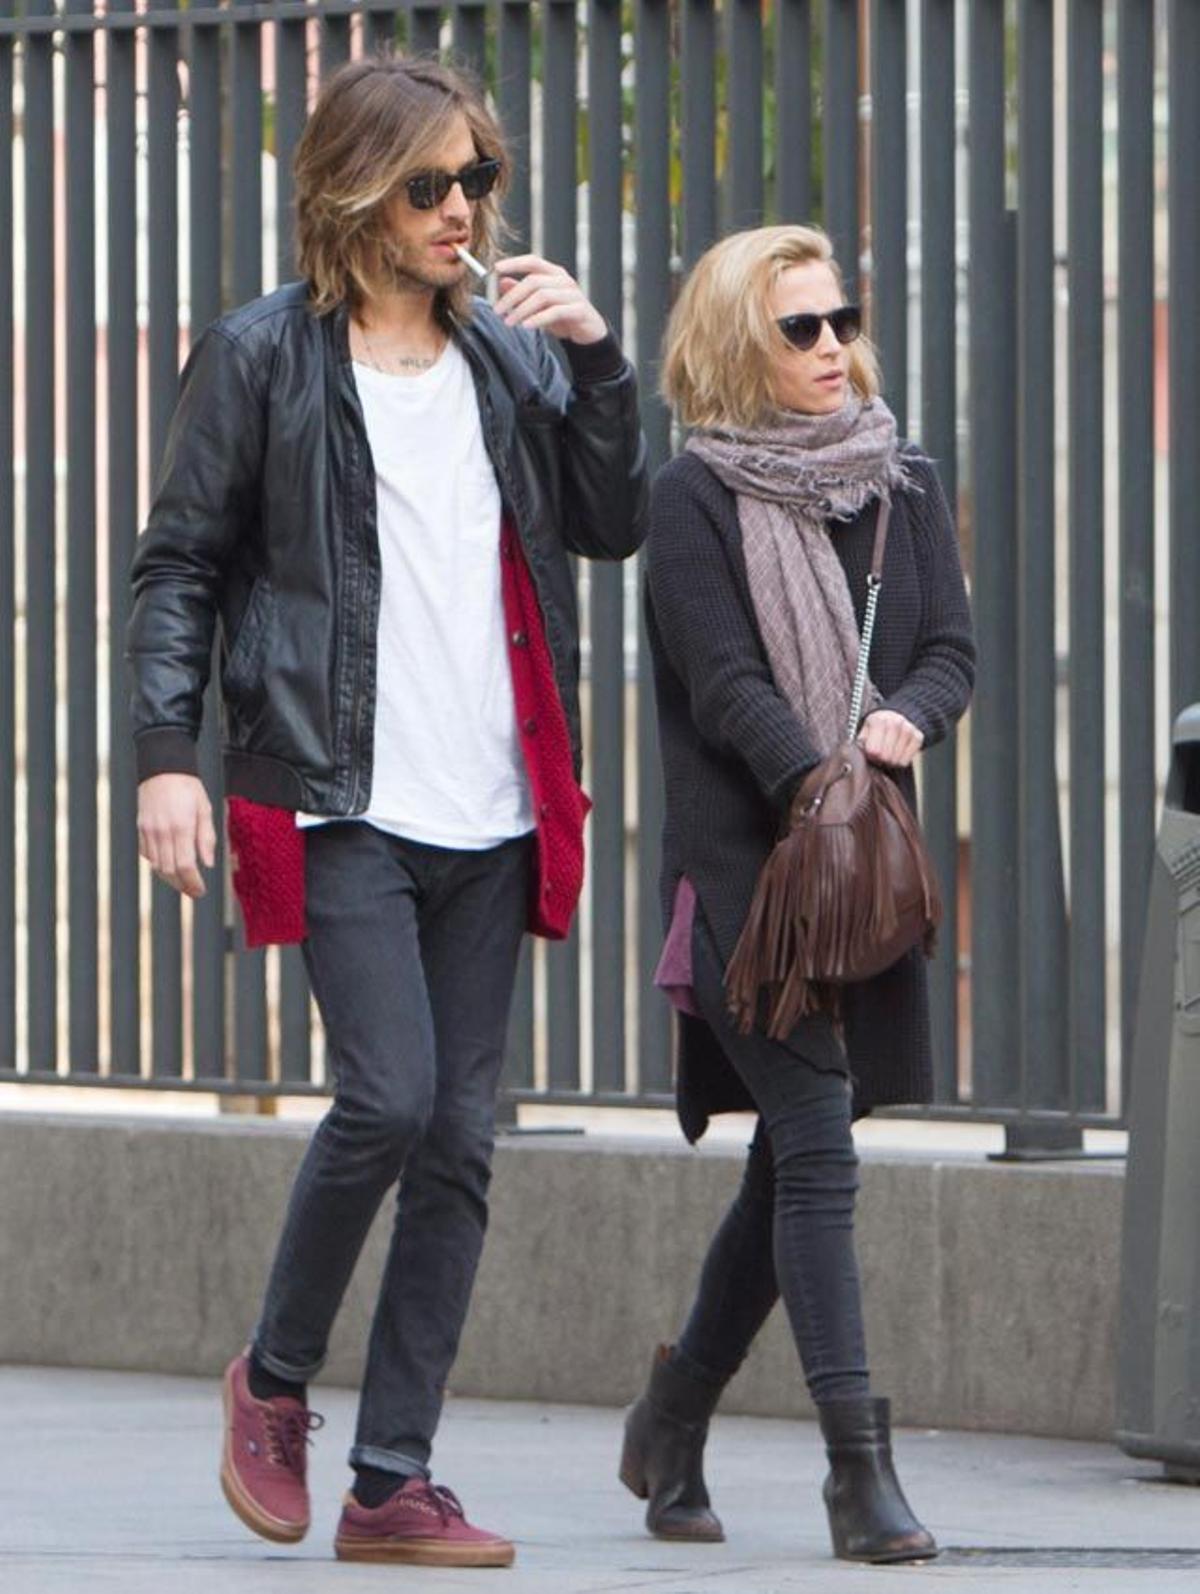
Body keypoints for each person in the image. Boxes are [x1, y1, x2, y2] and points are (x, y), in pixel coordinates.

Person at [128, 53, 647, 1569]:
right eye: (430, 183)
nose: (461, 209)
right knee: (392, 1097)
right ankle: (273, 1380)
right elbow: (178, 569)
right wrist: (171, 754)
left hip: (492, 804)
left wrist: (600, 358)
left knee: (464, 1143)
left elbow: (611, 524)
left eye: (476, 178)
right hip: (336, 795)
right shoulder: (261, 356)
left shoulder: (511, 359)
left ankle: (393, 1479)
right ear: (355, 187)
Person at [624, 224, 974, 1562]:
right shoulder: (692, 498)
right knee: (819, 1150)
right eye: (801, 328)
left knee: (792, 1162)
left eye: (843, 321)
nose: (834, 347)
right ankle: (856, 1471)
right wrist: (821, 773)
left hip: (863, 878)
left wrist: (907, 728)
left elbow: (949, 647)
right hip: (747, 885)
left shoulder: (903, 479)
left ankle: (674, 1414)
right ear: (734, 345)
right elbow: (721, 684)